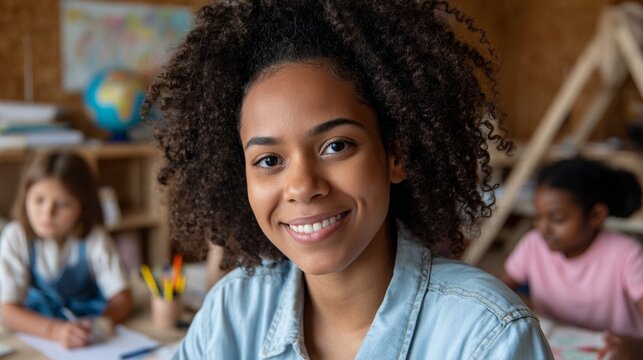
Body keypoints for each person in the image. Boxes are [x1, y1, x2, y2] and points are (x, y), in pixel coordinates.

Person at [143, 0, 553, 358]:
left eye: (336, 146)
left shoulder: (487, 336)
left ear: (395, 154)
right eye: (269, 159)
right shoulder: (230, 314)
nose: (303, 187)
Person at [502, 157, 643, 359]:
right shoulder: (534, 244)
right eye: (539, 216)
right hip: (556, 348)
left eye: (557, 219)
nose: (543, 228)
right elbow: (501, 290)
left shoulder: (626, 253)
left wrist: (638, 347)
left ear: (596, 215)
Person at [0, 151, 133, 348]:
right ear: (25, 196)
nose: (47, 213)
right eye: (38, 200)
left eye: (62, 204)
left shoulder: (94, 238)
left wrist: (101, 324)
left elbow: (122, 297)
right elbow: (7, 311)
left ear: (83, 206)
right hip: (36, 334)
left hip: (86, 337)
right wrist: (55, 331)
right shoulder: (16, 236)